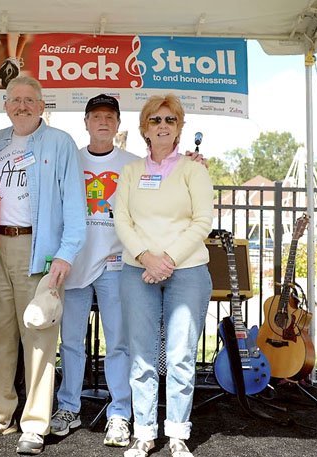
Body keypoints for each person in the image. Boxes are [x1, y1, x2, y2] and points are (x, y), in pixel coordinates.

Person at [0, 75, 86, 455]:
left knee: (39, 335)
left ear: (42, 104)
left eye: (29, 100)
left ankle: (35, 423)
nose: (21, 105)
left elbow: (75, 207)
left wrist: (65, 254)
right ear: (6, 105)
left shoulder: (60, 142)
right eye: (14, 100)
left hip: (38, 248)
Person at [114, 94, 213, 457]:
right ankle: (144, 432)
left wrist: (167, 260)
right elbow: (121, 220)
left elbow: (203, 221)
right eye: (155, 120)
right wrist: (145, 257)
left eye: (170, 120)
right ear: (144, 129)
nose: (162, 126)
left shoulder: (194, 170)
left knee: (180, 356)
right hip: (137, 271)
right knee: (141, 356)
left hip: (186, 272)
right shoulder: (130, 172)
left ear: (179, 128)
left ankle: (177, 434)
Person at [49, 94, 136, 447]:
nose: (103, 122)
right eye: (96, 116)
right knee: (70, 342)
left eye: (109, 117)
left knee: (118, 342)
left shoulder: (133, 163)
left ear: (117, 124)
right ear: (85, 122)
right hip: (75, 263)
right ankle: (68, 406)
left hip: (115, 264)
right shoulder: (71, 159)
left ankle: (119, 413)